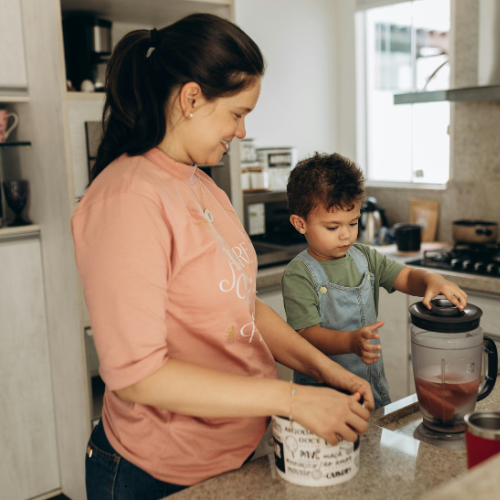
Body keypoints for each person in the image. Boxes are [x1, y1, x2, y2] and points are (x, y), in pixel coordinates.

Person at [71, 14, 375, 500]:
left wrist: (322, 368)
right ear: (191, 98)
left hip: (232, 453)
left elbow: (241, 307)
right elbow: (138, 376)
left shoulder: (202, 185)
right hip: (157, 471)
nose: (241, 129)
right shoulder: (127, 198)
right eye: (237, 113)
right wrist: (292, 399)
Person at [281, 152, 468, 409]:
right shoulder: (298, 273)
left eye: (354, 222)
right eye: (332, 227)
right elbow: (305, 334)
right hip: (323, 399)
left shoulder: (365, 257)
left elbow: (405, 276)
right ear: (300, 223)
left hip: (372, 388)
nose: (346, 235)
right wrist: (349, 342)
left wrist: (431, 279)